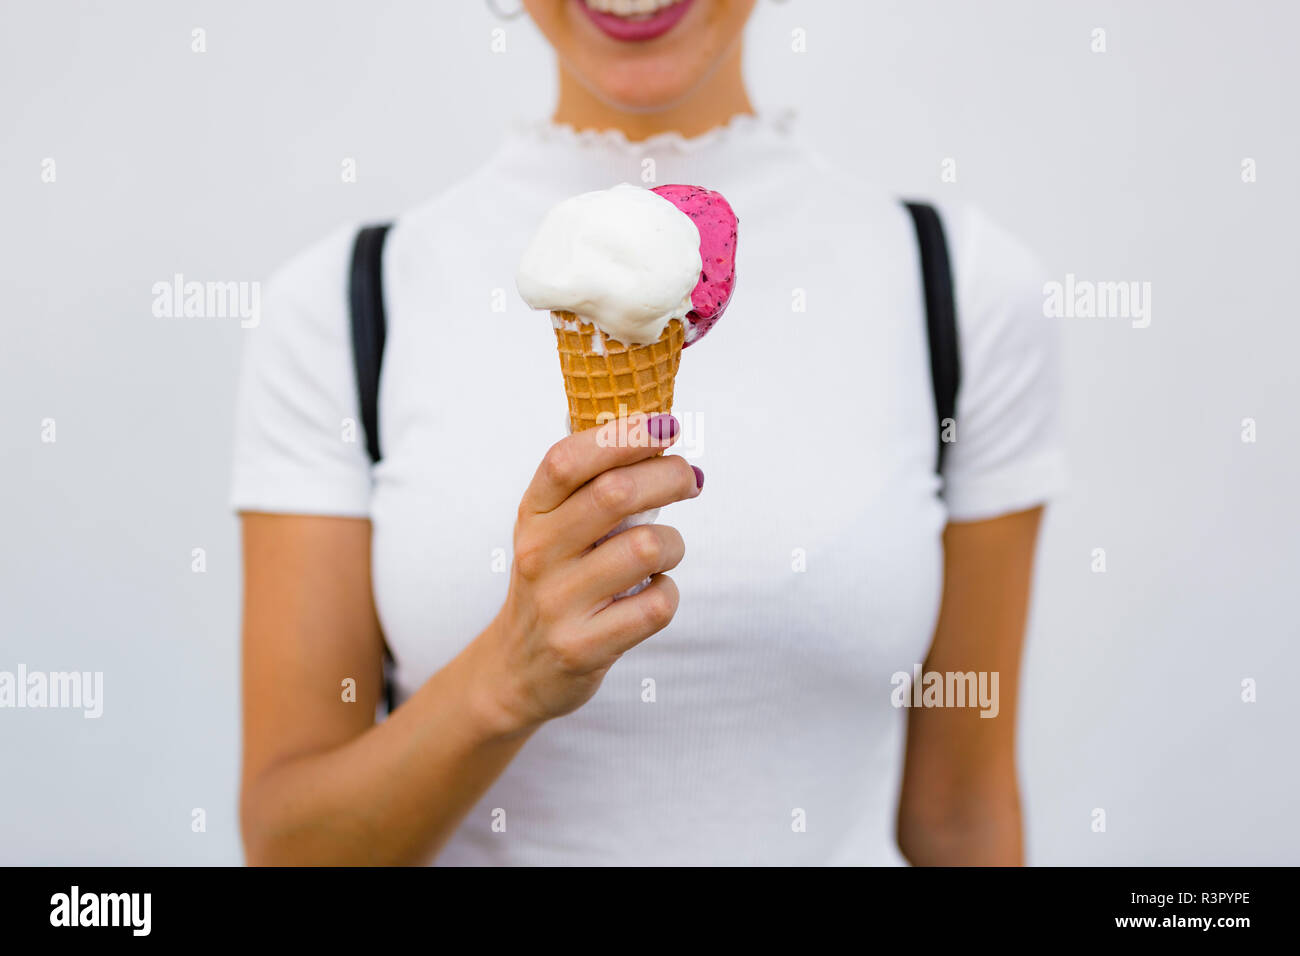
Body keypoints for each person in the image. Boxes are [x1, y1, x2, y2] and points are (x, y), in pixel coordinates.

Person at [232, 0, 1064, 865]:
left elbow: (962, 819)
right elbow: (290, 850)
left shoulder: (961, 289)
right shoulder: (341, 303)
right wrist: (504, 682)